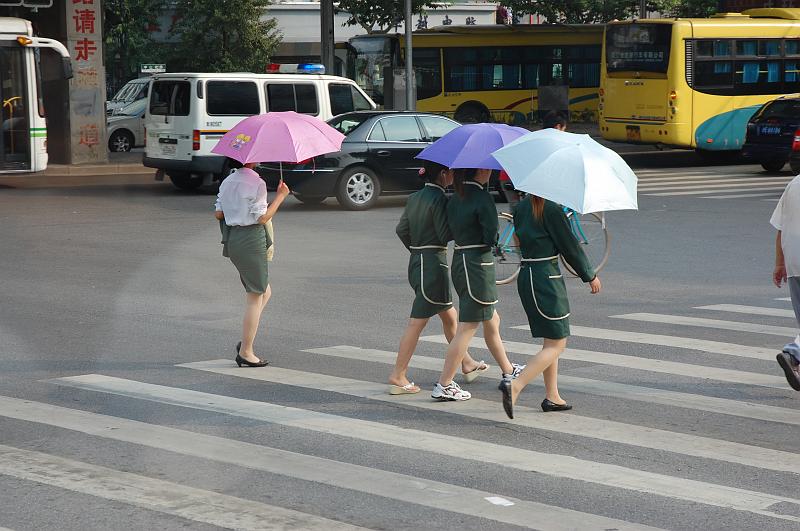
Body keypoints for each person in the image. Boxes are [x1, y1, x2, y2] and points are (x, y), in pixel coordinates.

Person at [390, 161, 489, 395]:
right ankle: (398, 374)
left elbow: (401, 230)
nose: (453, 177)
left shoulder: (416, 197)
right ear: (444, 174)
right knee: (417, 322)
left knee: (449, 316)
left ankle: (466, 362)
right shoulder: (439, 199)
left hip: (419, 261)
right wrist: (464, 224)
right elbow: (445, 234)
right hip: (432, 263)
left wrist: (417, 249)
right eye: (451, 173)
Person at [499, 195, 601, 419]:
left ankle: (552, 395)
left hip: (528, 275)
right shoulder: (551, 209)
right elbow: (570, 247)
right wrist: (589, 275)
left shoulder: (522, 206)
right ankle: (515, 386)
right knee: (557, 344)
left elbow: (517, 239)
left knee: (551, 339)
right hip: (546, 278)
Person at [433, 168, 524, 401]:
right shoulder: (481, 197)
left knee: (492, 319)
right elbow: (490, 236)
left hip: (461, 261)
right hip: (477, 265)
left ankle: (508, 369)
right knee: (468, 327)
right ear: (482, 169)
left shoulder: (456, 196)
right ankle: (444, 383)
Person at [215, 159, 290, 367]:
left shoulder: (228, 181)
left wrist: (237, 210)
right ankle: (246, 351)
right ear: (252, 160)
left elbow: (218, 214)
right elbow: (262, 218)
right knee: (255, 296)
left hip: (234, 239)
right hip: (251, 239)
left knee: (264, 291)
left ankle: (247, 339)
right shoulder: (257, 183)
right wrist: (281, 197)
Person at [499, 111, 568, 206]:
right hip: (518, 179)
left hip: (506, 176)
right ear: (558, 127)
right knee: (539, 211)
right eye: (564, 129)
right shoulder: (550, 142)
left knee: (517, 213)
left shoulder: (533, 136)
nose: (564, 133)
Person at [772, 174, 800, 391]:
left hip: (794, 262)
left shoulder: (794, 183)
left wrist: (780, 264)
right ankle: (794, 353)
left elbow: (780, 228)